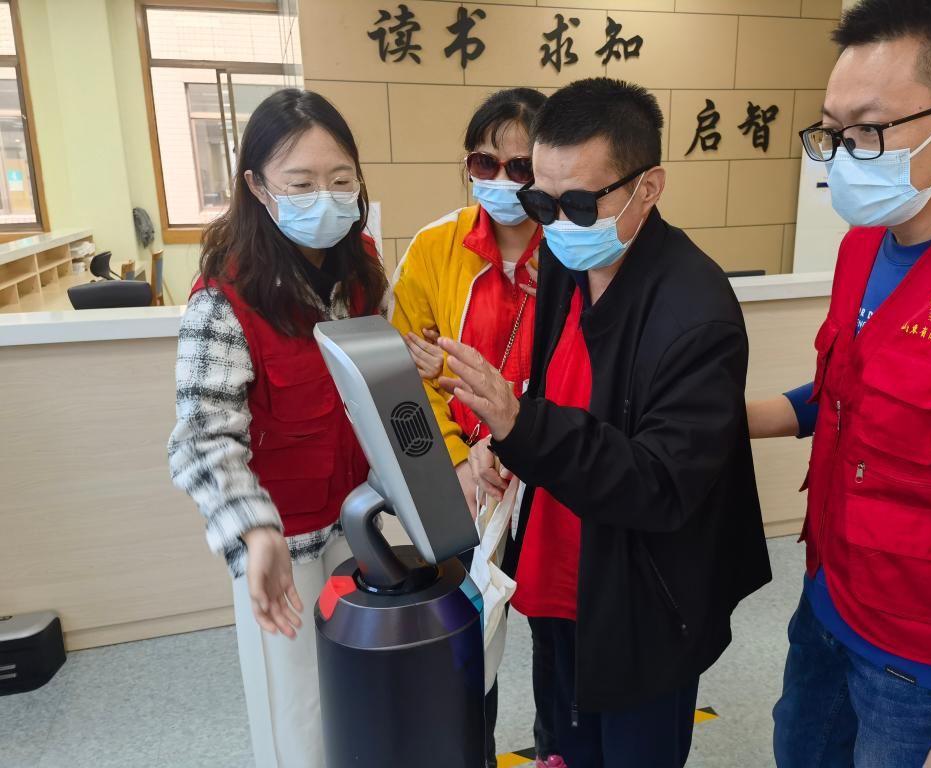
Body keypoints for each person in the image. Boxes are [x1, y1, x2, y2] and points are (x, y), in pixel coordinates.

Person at [440, 77, 772, 768]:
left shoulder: (696, 313)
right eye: (542, 202)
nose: (558, 222)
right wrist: (503, 445)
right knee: (563, 750)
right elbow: (559, 397)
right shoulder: (567, 262)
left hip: (640, 602)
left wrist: (521, 425)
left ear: (648, 187)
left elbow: (660, 484)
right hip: (559, 574)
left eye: (581, 203)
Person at [745, 2, 931, 766]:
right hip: (829, 596)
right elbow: (845, 394)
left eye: (868, 131)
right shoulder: (864, 244)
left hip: (924, 660)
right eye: (832, 132)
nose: (842, 157)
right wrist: (738, 417)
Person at [168, 89, 390, 768]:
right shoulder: (225, 298)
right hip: (283, 543)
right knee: (299, 718)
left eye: (342, 180)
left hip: (358, 526)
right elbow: (203, 437)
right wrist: (254, 531)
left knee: (361, 699)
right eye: (301, 183)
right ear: (258, 188)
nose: (326, 198)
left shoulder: (360, 271)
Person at [389, 87, 562, 768]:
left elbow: (582, 370)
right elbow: (405, 381)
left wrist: (521, 441)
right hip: (464, 486)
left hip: (553, 478)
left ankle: (555, 752)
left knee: (558, 639)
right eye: (484, 163)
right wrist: (458, 458)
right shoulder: (435, 248)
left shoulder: (574, 249)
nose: (500, 181)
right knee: (465, 644)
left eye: (520, 167)